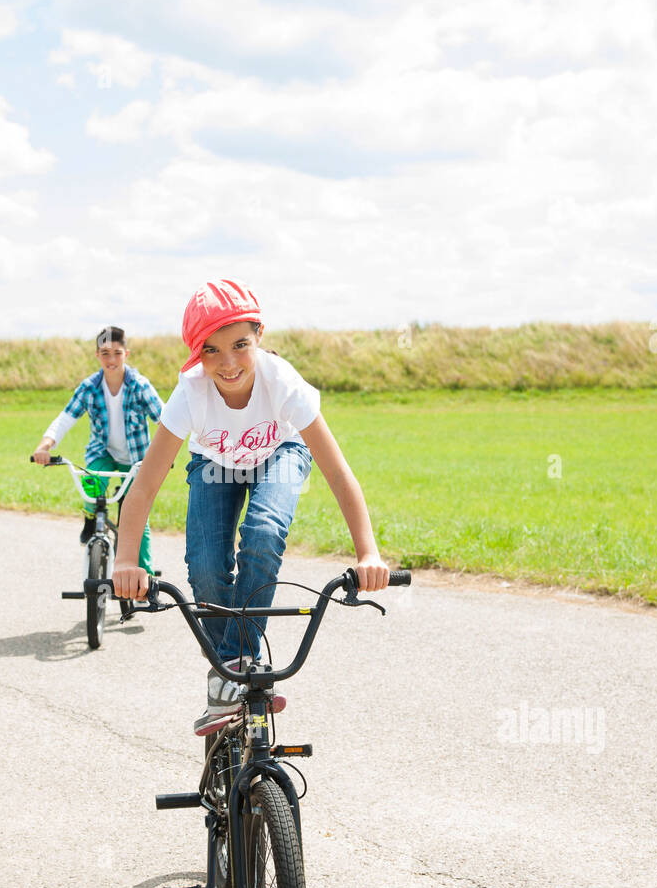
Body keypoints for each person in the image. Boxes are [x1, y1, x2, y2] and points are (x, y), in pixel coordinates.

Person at [112, 280, 390, 731]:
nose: (228, 362)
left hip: (280, 453)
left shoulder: (282, 383)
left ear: (259, 335)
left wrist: (368, 553)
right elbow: (144, 486)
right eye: (211, 351)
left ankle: (230, 670)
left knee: (262, 531)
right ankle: (235, 668)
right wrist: (126, 558)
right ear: (197, 356)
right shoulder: (190, 394)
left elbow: (338, 472)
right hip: (213, 462)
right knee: (204, 566)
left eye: (240, 345)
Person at [32, 325, 162, 574]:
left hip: (136, 460)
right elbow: (66, 418)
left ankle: (144, 578)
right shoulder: (90, 387)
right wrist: (44, 445)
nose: (111, 360)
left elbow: (165, 419)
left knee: (135, 520)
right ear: (97, 355)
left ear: (127, 354)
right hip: (102, 453)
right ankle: (91, 519)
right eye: (105, 353)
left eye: (117, 353)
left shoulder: (139, 386)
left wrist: (164, 456)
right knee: (91, 484)